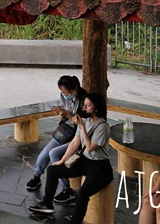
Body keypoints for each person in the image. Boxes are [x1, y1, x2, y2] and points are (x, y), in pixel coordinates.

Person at [28, 92, 113, 222]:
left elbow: (90, 147)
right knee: (52, 170)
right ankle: (47, 204)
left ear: (97, 108)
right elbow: (75, 143)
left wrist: (82, 127)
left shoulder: (103, 127)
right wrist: (62, 161)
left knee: (82, 194)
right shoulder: (84, 120)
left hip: (100, 167)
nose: (84, 108)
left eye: (88, 106)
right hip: (84, 161)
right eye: (84, 105)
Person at [26, 75, 86, 204]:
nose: (65, 95)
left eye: (67, 92)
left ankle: (66, 189)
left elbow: (81, 123)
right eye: (63, 92)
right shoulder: (64, 96)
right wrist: (61, 114)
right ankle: (37, 176)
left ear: (75, 88)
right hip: (65, 131)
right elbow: (65, 119)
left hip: (78, 135)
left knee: (54, 154)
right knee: (45, 153)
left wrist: (68, 115)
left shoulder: (83, 100)